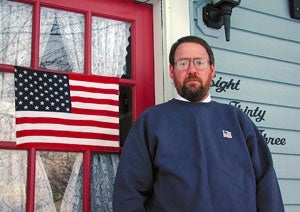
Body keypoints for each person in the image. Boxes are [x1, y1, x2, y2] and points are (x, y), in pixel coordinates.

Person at [113, 35, 284, 212]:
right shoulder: (151, 121)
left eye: (199, 62)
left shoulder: (238, 120)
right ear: (172, 71)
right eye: (183, 63)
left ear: (212, 69)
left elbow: (267, 186)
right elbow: (129, 192)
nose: (192, 70)